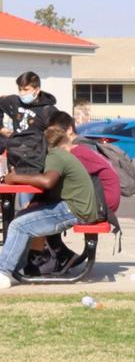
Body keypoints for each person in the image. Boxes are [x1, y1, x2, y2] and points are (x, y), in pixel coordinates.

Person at [0, 112, 102, 287]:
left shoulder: (55, 156)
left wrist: (14, 177)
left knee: (18, 225)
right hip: (75, 207)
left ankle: (3, 272)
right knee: (22, 216)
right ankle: (16, 267)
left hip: (75, 209)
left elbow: (47, 182)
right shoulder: (59, 155)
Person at [0, 71, 58, 174]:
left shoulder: (48, 110)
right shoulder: (14, 102)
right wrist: (1, 128)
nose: (22, 93)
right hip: (15, 157)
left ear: (37, 90)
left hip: (36, 161)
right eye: (20, 89)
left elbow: (58, 136)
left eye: (26, 89)